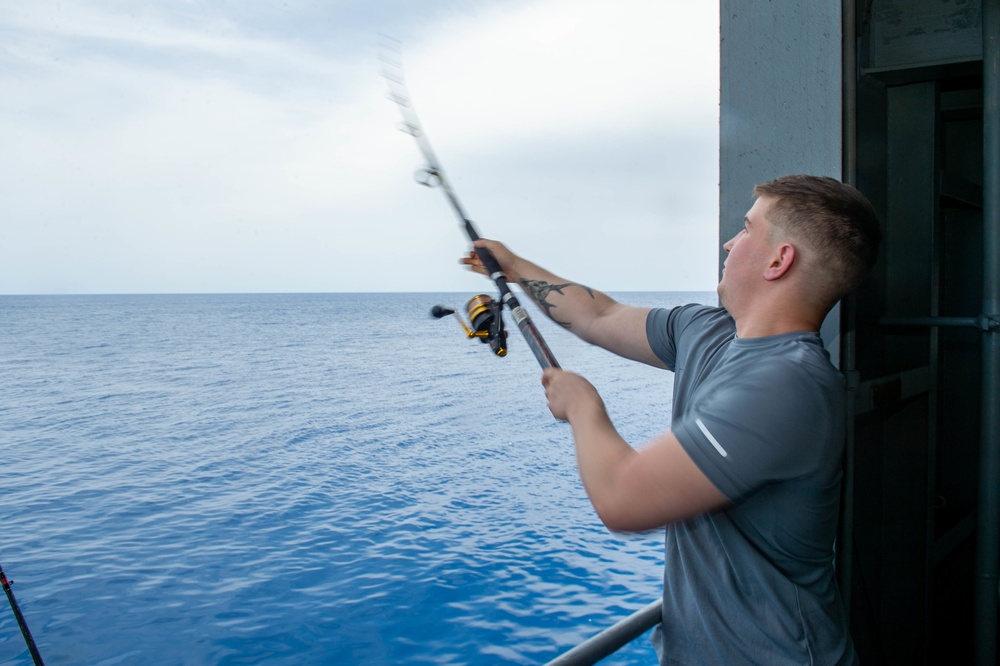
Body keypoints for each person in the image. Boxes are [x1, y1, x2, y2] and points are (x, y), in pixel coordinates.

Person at [461, 175, 881, 665]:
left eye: (746, 229)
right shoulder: (705, 331)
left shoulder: (788, 386)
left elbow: (623, 497)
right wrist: (513, 266)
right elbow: (598, 315)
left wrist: (582, 406)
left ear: (779, 260)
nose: (730, 241)